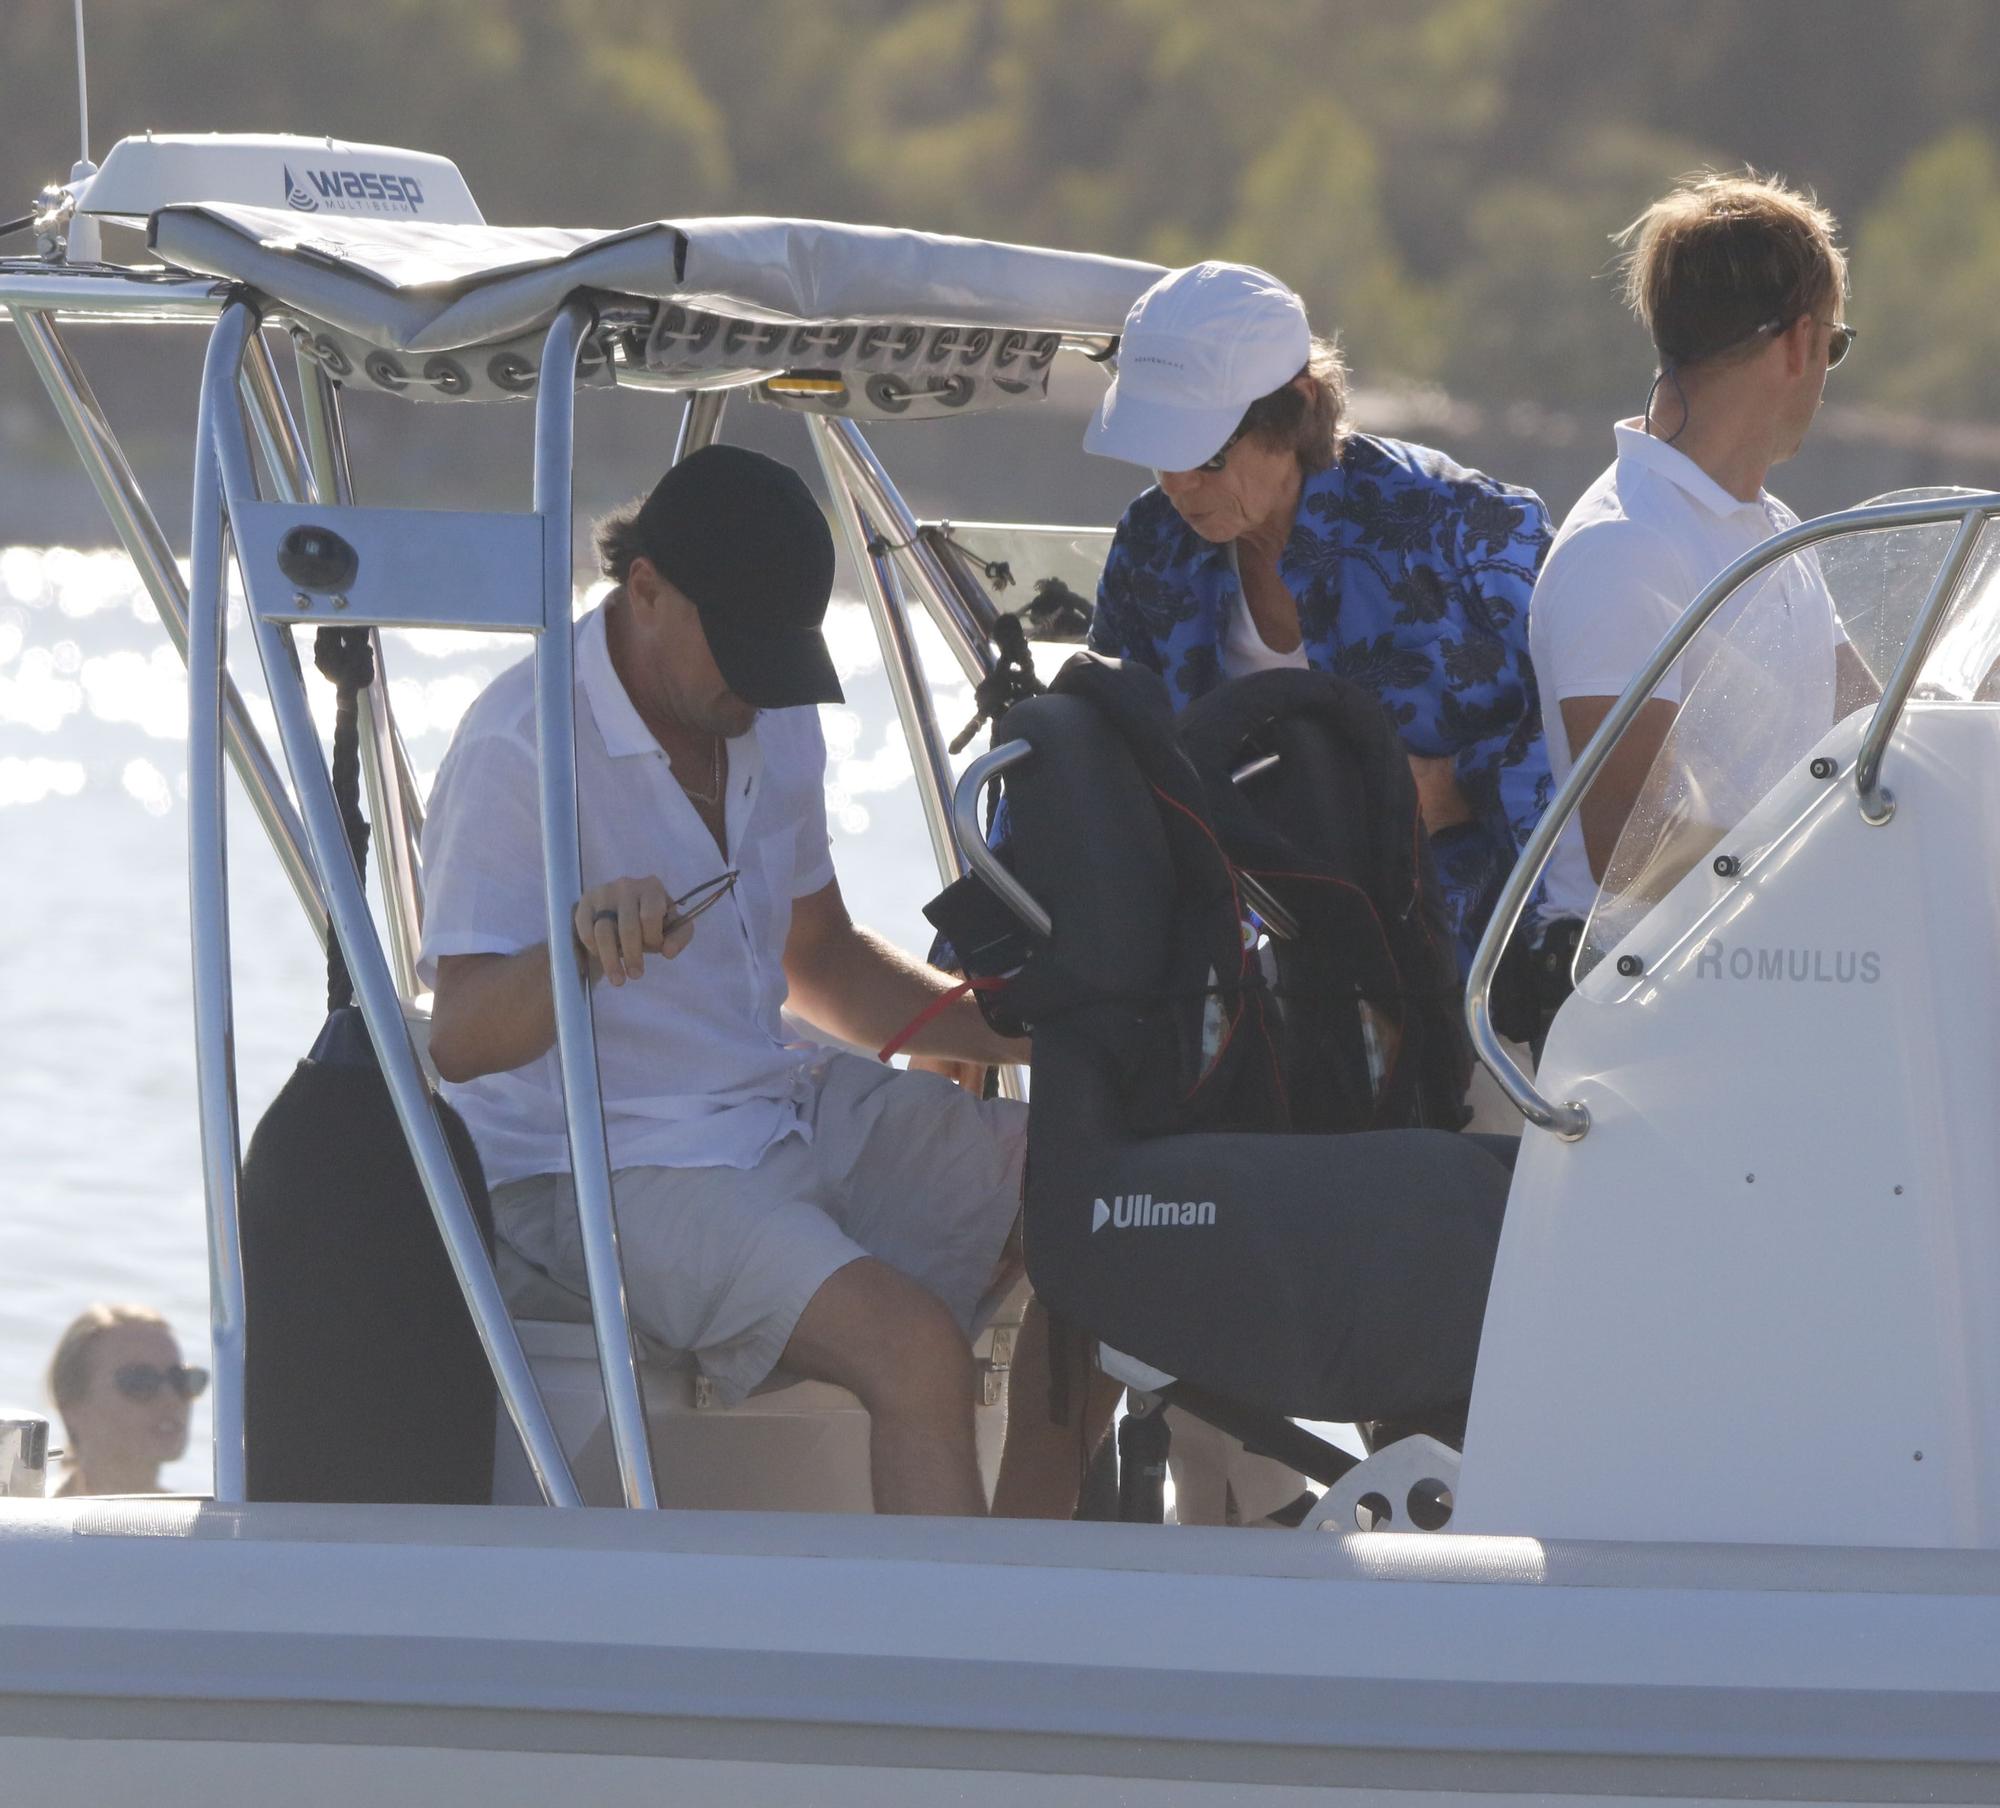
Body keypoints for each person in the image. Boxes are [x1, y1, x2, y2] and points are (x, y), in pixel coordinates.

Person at [421, 443, 1045, 1519]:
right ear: (646, 587)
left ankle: (1058, 1573)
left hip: (770, 1106)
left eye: (780, 653)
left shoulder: (760, 703)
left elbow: (821, 962)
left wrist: (1032, 1031)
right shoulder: (518, 744)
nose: (761, 686)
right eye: (743, 648)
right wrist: (574, 949)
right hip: (598, 1163)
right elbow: (459, 1037)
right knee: (914, 1351)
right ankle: (951, 1672)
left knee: (1085, 1191)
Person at [1083, 260, 1556, 979]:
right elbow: (1094, 750)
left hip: (1484, 971)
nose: (1177, 482)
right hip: (1255, 983)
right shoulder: (1154, 548)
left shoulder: (1465, 528)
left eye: (1204, 452)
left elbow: (1613, 727)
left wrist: (1459, 787)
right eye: (1158, 446)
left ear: (1297, 408)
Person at [1528, 170, 1878, 974]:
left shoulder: (1771, 529)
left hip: (1764, 978)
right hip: (1656, 1006)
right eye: (1837, 344)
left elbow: (1873, 729)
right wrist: (1835, 888)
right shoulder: (1622, 547)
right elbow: (1631, 840)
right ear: (1799, 343)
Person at [46, 1303, 206, 1496]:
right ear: (71, 1406)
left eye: (181, 1379)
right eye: (140, 1381)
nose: (171, 1398)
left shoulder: (213, 1523)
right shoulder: (24, 1519)